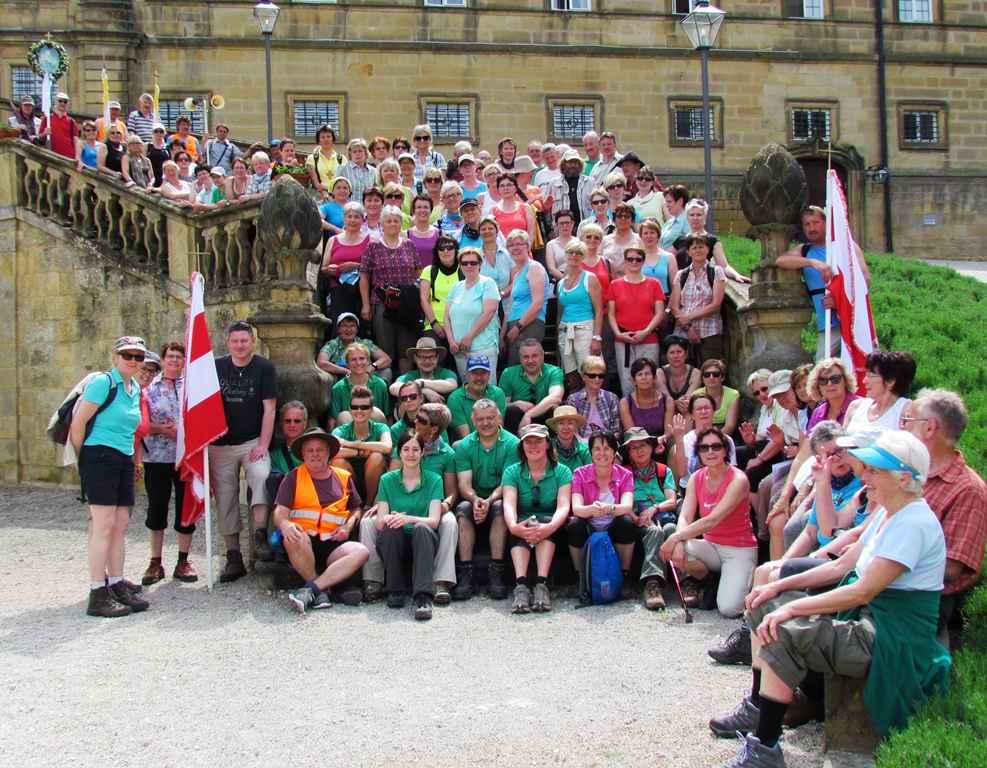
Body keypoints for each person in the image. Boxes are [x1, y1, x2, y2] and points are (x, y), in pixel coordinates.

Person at [710, 430, 949, 767]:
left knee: (783, 630)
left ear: (904, 478)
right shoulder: (890, 512)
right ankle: (760, 708)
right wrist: (777, 588)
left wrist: (791, 608)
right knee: (765, 604)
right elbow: (841, 566)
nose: (865, 476)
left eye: (876, 471)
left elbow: (862, 590)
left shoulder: (913, 523)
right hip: (867, 617)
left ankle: (764, 748)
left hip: (888, 638)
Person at [69, 336, 149, 617]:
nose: (133, 361)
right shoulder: (104, 383)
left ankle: (116, 583)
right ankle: (97, 592)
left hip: (123, 458)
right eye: (128, 355)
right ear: (115, 357)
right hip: (99, 456)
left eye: (139, 356)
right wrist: (85, 461)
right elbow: (78, 424)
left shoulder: (134, 388)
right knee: (103, 525)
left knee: (120, 524)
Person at [902, 390, 987, 639]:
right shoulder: (914, 471)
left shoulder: (968, 490)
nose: (903, 428)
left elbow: (950, 568)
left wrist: (883, 565)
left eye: (909, 421)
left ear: (929, 428)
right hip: (883, 578)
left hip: (921, 599)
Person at [659, 426, 757, 617]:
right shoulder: (696, 478)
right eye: (704, 448)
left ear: (726, 450)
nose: (710, 452)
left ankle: (741, 578)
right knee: (674, 548)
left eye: (716, 446)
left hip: (738, 549)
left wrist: (676, 537)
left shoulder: (739, 479)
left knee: (729, 609)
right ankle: (710, 580)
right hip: (711, 546)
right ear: (698, 452)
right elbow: (685, 516)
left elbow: (712, 520)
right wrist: (677, 542)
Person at [210, 321, 278, 580]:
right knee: (225, 498)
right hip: (220, 444)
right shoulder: (215, 367)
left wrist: (263, 444)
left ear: (253, 342)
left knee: (261, 475)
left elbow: (270, 408)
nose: (240, 345)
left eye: (244, 341)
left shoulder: (264, 368)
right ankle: (233, 556)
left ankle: (259, 535)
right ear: (228, 342)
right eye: (235, 341)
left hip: (252, 441)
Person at [273, 428, 369, 613]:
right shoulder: (293, 477)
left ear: (328, 453)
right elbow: (279, 512)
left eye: (320, 450)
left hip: (335, 542)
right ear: (303, 454)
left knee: (362, 552)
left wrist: (348, 527)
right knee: (292, 536)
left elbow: (356, 508)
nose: (315, 454)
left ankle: (312, 590)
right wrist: (285, 524)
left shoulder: (344, 477)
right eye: (310, 450)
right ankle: (322, 588)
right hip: (304, 542)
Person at [382, 403, 459, 604]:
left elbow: (452, 491)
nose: (415, 421)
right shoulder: (407, 442)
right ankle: (374, 581)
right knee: (368, 522)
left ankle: (441, 581)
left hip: (434, 503)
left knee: (449, 522)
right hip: (402, 501)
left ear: (434, 429)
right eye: (416, 417)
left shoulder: (447, 453)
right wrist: (379, 503)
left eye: (421, 420)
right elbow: (392, 478)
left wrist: (446, 505)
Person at [778, 205, 870, 361]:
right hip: (827, 324)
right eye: (807, 224)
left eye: (815, 222)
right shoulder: (805, 250)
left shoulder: (847, 246)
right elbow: (781, 261)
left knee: (861, 364)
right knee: (823, 367)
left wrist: (840, 300)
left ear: (826, 223)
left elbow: (865, 281)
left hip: (852, 320)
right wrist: (812, 262)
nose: (811, 228)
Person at [140, 341, 198, 585]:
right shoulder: (148, 388)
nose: (174, 360)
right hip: (157, 457)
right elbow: (140, 422)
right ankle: (155, 562)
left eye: (179, 357)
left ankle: (183, 560)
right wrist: (164, 430)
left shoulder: (192, 387)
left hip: (186, 458)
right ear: (163, 360)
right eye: (170, 356)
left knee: (186, 509)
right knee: (157, 507)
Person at [452, 399, 520, 600]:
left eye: (490, 418)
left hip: (500, 496)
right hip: (474, 498)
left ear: (498, 417)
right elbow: (464, 483)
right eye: (480, 419)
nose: (486, 423)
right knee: (463, 508)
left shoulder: (513, 443)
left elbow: (508, 482)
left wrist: (488, 501)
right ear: (473, 420)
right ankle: (466, 572)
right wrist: (475, 500)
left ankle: (496, 572)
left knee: (500, 507)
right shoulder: (464, 446)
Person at [502, 424, 573, 613]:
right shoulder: (512, 471)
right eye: (528, 442)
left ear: (547, 444)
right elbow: (509, 504)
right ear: (522, 446)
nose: (533, 446)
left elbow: (563, 506)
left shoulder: (562, 471)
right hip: (524, 523)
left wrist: (550, 526)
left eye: (538, 441)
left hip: (552, 523)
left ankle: (542, 584)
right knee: (523, 524)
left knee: (541, 522)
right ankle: (521, 586)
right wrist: (513, 526)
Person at [374, 432, 444, 620]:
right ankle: (395, 590)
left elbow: (434, 521)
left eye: (415, 449)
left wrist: (409, 519)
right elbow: (380, 522)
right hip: (396, 540)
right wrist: (393, 518)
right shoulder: (386, 480)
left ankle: (423, 597)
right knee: (390, 528)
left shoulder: (434, 479)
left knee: (421, 528)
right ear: (399, 453)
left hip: (423, 540)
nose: (411, 454)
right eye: (406, 449)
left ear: (422, 453)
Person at [567, 431, 637, 586]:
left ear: (614, 452)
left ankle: (623, 574)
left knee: (626, 522)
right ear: (591, 452)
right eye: (597, 449)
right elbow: (577, 508)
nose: (602, 453)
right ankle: (580, 576)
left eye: (607, 448)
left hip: (613, 525)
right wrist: (592, 509)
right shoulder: (579, 474)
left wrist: (609, 508)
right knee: (574, 525)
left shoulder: (625, 475)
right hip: (590, 524)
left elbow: (627, 506)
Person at [359, 205, 422, 373]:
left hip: (406, 304)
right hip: (382, 302)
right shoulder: (373, 246)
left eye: (396, 221)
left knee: (406, 348)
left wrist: (407, 287)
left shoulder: (409, 245)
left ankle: (405, 384)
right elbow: (364, 275)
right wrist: (365, 305)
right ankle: (386, 385)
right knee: (385, 348)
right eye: (388, 221)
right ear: (382, 224)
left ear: (401, 223)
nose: (393, 224)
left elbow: (418, 270)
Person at [623, 428, 679, 610]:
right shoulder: (625, 473)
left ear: (651, 447)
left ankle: (686, 581)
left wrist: (654, 508)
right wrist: (636, 517)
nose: (639, 450)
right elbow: (621, 501)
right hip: (636, 520)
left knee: (672, 530)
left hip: (662, 515)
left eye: (643, 445)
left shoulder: (663, 471)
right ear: (628, 452)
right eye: (634, 447)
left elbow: (672, 501)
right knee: (654, 531)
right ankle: (652, 584)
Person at [608, 246, 665, 395]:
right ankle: (629, 408)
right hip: (623, 340)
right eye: (630, 259)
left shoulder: (654, 284)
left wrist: (646, 331)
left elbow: (659, 313)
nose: (634, 262)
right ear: (625, 261)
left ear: (643, 261)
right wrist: (618, 334)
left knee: (649, 379)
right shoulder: (615, 285)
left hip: (649, 339)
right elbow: (611, 314)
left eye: (638, 259)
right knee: (626, 381)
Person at [669, 232, 726, 363]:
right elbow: (674, 306)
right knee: (686, 370)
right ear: (688, 252)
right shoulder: (681, 275)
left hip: (709, 331)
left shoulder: (716, 271)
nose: (698, 250)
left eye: (701, 247)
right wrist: (689, 326)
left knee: (710, 369)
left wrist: (688, 317)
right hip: (683, 332)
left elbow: (716, 305)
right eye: (694, 248)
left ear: (708, 250)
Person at [444, 249, 501, 381]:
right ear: (460, 265)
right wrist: (451, 341)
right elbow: (446, 318)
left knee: (486, 388)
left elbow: (489, 312)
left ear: (480, 264)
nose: (469, 266)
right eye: (464, 263)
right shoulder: (456, 287)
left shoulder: (488, 283)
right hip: (459, 351)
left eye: (473, 263)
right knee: (467, 388)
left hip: (483, 348)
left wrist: (469, 337)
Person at [330, 384, 391, 505]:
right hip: (350, 477)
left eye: (364, 407)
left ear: (371, 409)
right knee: (337, 461)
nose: (359, 411)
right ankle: (353, 504)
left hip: (375, 480)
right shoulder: (341, 430)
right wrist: (358, 452)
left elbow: (387, 447)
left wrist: (352, 444)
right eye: (355, 407)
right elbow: (331, 451)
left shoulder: (380, 428)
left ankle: (368, 504)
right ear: (350, 409)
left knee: (377, 456)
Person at [669, 392, 739, 491]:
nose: (703, 412)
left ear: (713, 412)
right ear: (692, 415)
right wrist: (679, 439)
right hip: (691, 489)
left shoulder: (726, 439)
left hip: (719, 488)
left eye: (707, 408)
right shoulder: (685, 440)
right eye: (698, 409)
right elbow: (682, 473)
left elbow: (732, 471)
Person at [556, 240, 604, 376]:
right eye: (571, 252)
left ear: (583, 256)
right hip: (565, 331)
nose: (574, 256)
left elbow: (599, 310)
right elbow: (560, 312)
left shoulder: (590, 278)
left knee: (589, 372)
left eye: (578, 253)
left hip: (585, 330)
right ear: (565, 255)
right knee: (571, 375)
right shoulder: (561, 283)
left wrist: (596, 338)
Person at [320, 202, 372, 324]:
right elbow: (323, 268)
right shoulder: (333, 240)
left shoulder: (370, 240)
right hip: (338, 291)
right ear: (344, 219)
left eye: (356, 217)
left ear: (362, 220)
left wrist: (356, 266)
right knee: (339, 326)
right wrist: (329, 269)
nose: (352, 220)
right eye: (349, 216)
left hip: (361, 292)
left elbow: (375, 268)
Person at [503, 230, 549, 365]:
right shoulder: (517, 274)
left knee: (526, 367)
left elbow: (538, 303)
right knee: (514, 369)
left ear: (528, 246)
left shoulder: (534, 268)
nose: (515, 248)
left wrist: (518, 327)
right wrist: (502, 335)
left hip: (529, 325)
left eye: (519, 244)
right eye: (511, 245)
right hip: (515, 325)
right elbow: (510, 307)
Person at [500, 338, 565, 434]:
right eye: (526, 357)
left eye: (534, 356)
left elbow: (556, 397)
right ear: (520, 359)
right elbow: (501, 405)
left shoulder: (554, 371)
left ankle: (551, 442)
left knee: (555, 408)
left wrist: (529, 414)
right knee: (511, 410)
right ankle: (514, 442)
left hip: (544, 416)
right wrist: (516, 404)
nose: (530, 360)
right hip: (518, 420)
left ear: (542, 356)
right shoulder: (508, 373)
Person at [843, 350, 915, 433]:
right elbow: (840, 439)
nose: (864, 381)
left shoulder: (907, 410)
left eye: (870, 375)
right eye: (866, 375)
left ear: (890, 381)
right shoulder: (856, 406)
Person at [682, 198, 750, 283]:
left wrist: (736, 275)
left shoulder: (712, 240)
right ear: (687, 217)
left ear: (705, 217)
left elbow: (724, 266)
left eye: (699, 215)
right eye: (692, 215)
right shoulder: (679, 240)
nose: (695, 218)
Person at [317, 312, 392, 387]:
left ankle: (379, 393)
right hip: (343, 381)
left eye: (352, 326)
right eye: (344, 326)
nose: (349, 329)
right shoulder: (332, 344)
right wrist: (348, 372)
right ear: (338, 329)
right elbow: (321, 363)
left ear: (357, 329)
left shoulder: (365, 343)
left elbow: (386, 359)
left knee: (386, 371)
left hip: (366, 379)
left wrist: (370, 368)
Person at [329, 342, 390, 424]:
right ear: (347, 364)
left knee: (376, 413)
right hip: (348, 429)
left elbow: (387, 417)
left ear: (368, 361)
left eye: (362, 358)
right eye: (353, 359)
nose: (358, 363)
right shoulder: (338, 388)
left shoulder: (380, 385)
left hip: (374, 428)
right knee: (344, 416)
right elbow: (333, 420)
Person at [447, 355, 507, 439]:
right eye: (474, 373)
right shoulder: (455, 398)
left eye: (483, 373)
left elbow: (498, 429)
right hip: (468, 444)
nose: (479, 378)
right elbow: (466, 436)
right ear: (467, 374)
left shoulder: (498, 393)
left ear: (489, 374)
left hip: (493, 441)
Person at [565, 356, 621, 440]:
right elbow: (572, 430)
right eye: (592, 376)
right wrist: (583, 445)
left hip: (607, 444)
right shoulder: (573, 400)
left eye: (601, 376)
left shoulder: (612, 398)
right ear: (583, 377)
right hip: (581, 445)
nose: (597, 379)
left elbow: (616, 431)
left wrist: (605, 444)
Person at [419, 235, 461, 348]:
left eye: (450, 247)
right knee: (430, 353)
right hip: (433, 326)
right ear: (437, 252)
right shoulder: (429, 271)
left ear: (456, 250)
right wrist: (434, 324)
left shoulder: (464, 270)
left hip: (459, 326)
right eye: (441, 248)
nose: (445, 251)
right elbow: (423, 299)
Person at [389, 337, 459, 404]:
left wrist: (422, 383)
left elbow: (452, 385)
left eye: (431, 357)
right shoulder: (410, 375)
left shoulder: (446, 373)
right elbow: (393, 388)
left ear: (437, 357)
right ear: (415, 358)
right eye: (422, 357)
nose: (427, 361)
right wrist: (424, 391)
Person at [619, 357, 673, 441]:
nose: (644, 377)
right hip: (637, 443)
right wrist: (648, 445)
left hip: (662, 442)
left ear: (654, 378)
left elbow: (668, 432)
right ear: (634, 381)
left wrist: (659, 441)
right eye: (640, 374)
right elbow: (632, 434)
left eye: (647, 374)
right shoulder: (625, 402)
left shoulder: (667, 401)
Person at [693, 358, 741, 436]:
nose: (711, 377)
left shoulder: (733, 394)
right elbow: (691, 422)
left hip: (724, 436)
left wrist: (712, 440)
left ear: (722, 377)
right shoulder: (696, 395)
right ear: (702, 378)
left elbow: (730, 426)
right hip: (700, 434)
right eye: (707, 375)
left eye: (716, 374)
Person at [545, 405, 592, 472]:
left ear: (575, 426)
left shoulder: (585, 451)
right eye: (561, 423)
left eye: (570, 423)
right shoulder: (547, 449)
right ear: (555, 427)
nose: (566, 427)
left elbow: (590, 474)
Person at [601, 202, 643, 277]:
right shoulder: (604, 240)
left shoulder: (640, 240)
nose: (623, 219)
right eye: (619, 216)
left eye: (627, 216)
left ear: (632, 221)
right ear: (614, 220)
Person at [638, 218, 676, 299]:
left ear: (658, 235)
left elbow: (675, 286)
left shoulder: (669, 257)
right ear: (641, 236)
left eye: (652, 233)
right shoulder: (636, 257)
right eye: (645, 233)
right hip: (642, 300)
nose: (649, 236)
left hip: (664, 299)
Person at [491, 175, 536, 242]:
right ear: (498, 190)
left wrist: (527, 247)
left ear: (515, 188)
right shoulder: (493, 211)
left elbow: (531, 233)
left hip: (523, 247)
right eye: (502, 186)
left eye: (509, 185)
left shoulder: (525, 208)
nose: (506, 188)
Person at [478, 214, 512, 295]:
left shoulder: (508, 254)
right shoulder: (475, 256)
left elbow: (515, 280)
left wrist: (502, 294)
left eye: (490, 228)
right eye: (483, 229)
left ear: (497, 232)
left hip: (507, 301)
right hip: (483, 300)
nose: (487, 231)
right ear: (479, 233)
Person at [39, 92, 79, 160]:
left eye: (65, 102)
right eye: (60, 101)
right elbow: (39, 138)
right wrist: (44, 133)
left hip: (68, 157)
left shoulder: (71, 121)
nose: (62, 103)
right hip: (52, 157)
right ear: (55, 102)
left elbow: (76, 141)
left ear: (68, 104)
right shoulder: (47, 119)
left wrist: (77, 157)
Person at [406, 194, 440, 268]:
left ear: (431, 210)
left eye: (426, 207)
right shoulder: (406, 234)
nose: (422, 210)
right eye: (419, 207)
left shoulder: (439, 234)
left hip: (433, 274)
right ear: (414, 211)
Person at [338, 137, 376, 202]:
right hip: (348, 206)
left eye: (360, 151)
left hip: (367, 206)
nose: (357, 154)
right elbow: (336, 191)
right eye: (354, 152)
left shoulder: (373, 171)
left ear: (366, 153)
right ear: (350, 154)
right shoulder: (342, 169)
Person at [545, 209, 578, 281]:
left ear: (572, 223)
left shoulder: (579, 242)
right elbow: (551, 269)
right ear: (556, 225)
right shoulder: (551, 245)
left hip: (578, 277)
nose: (565, 226)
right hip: (560, 279)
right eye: (561, 223)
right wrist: (566, 280)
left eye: (567, 223)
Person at [660, 184, 689, 252]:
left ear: (680, 201)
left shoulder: (689, 221)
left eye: (669, 202)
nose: (666, 205)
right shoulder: (669, 222)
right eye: (666, 202)